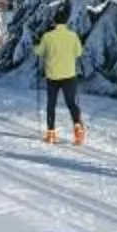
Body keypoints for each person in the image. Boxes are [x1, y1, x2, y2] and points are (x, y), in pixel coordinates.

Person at [36, 9, 86, 145]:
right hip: (69, 75)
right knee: (71, 103)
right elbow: (79, 52)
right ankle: (78, 128)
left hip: (52, 76)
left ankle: (51, 133)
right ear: (66, 22)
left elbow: (39, 52)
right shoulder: (73, 36)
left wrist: (37, 41)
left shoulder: (47, 36)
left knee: (51, 104)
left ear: (54, 22)